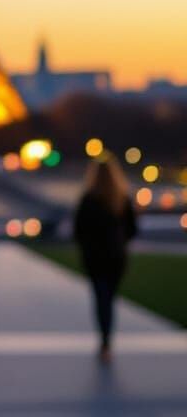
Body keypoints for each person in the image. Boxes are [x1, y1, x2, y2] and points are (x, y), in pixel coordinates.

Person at [73, 151, 137, 363]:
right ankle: (107, 340)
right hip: (116, 257)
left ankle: (105, 341)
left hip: (95, 258)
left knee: (101, 299)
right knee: (109, 298)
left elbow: (78, 231)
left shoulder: (88, 199)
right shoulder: (121, 199)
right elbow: (132, 230)